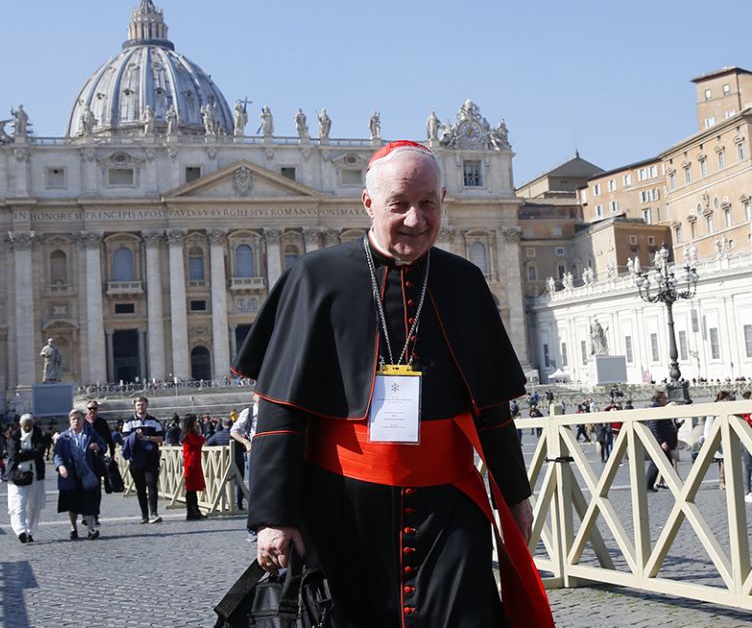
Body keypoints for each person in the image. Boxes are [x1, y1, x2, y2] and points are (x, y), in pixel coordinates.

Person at [232, 140, 552, 626]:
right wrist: (274, 516)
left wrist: (514, 499)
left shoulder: (464, 281)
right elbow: (280, 408)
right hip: (342, 504)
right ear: (368, 204)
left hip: (448, 508)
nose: (415, 219)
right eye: (399, 204)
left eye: (428, 203)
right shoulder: (315, 278)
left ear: (443, 200)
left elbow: (492, 409)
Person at [53, 408, 106, 540]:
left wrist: (98, 447)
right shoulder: (63, 437)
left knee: (88, 502)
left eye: (78, 418)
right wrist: (60, 466)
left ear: (83, 420)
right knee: (72, 504)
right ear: (69, 421)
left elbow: (103, 444)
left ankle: (91, 530)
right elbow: (57, 454)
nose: (76, 421)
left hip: (87, 473)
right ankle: (73, 528)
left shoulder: (90, 433)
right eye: (73, 419)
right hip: (70, 474)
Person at [121, 397, 164, 524]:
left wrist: (147, 437)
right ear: (135, 406)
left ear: (147, 406)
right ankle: (144, 514)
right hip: (136, 459)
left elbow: (161, 438)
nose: (141, 407)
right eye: (138, 405)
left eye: (143, 405)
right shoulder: (128, 423)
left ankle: (154, 512)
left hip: (151, 459)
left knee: (152, 485)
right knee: (140, 488)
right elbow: (124, 440)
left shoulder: (154, 422)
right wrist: (135, 436)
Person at [5, 414, 47, 543]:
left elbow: (40, 452)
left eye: (30, 424)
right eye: (25, 425)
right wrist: (31, 453)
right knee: (18, 503)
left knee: (34, 505)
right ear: (21, 425)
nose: (28, 427)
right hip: (17, 475)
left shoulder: (38, 434)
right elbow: (13, 455)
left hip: (35, 474)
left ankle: (30, 531)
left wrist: (23, 453)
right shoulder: (14, 436)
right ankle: (20, 530)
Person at [231, 395, 260, 536]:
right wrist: (247, 443)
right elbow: (234, 431)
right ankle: (253, 527)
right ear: (254, 396)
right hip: (255, 452)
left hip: (273, 451)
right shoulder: (248, 412)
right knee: (255, 490)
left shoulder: (274, 410)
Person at [645, 392, 676, 492]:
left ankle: (648, 485)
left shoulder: (658, 409)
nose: (666, 399)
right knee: (665, 464)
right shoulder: (656, 410)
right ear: (660, 399)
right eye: (665, 398)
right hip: (660, 443)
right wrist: (661, 441)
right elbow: (653, 427)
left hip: (662, 442)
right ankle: (676, 486)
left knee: (659, 463)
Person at [180, 414, 207, 521]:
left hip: (192, 461)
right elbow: (200, 441)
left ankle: (194, 510)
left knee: (192, 489)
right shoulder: (190, 434)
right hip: (192, 462)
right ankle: (192, 511)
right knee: (191, 489)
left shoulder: (187, 434)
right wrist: (201, 435)